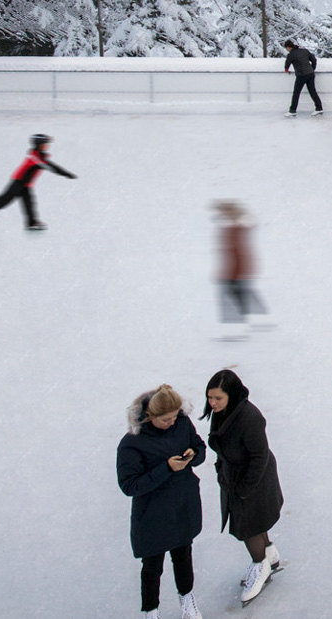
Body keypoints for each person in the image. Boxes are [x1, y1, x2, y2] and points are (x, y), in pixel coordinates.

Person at [116, 384, 207, 619]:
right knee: (152, 566)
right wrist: (166, 468)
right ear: (151, 416)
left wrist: (193, 455)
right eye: (166, 420)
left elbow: (199, 446)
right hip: (153, 514)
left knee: (183, 555)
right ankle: (151, 612)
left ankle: (187, 601)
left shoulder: (182, 423)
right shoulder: (132, 443)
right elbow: (130, 486)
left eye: (175, 417)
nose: (172, 423)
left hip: (182, 504)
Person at [204, 369, 285, 604]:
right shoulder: (223, 412)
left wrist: (244, 489)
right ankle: (269, 553)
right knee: (255, 519)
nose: (212, 403)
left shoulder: (250, 417)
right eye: (210, 397)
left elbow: (259, 456)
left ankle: (260, 566)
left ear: (231, 394)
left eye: (218, 398)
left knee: (248, 525)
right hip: (236, 475)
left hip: (253, 478)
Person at [0, 132, 75, 230]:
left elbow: (48, 165)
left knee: (28, 203)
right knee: (5, 199)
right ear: (38, 145)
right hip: (19, 182)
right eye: (45, 144)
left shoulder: (38, 155)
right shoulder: (36, 157)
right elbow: (50, 166)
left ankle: (32, 223)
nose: (48, 146)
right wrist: (67, 174)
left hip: (25, 184)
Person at [214, 200, 271, 337]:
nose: (220, 215)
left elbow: (236, 250)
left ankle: (240, 328)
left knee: (236, 298)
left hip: (237, 270)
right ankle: (251, 324)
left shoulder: (237, 228)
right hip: (233, 270)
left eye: (224, 213)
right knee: (239, 297)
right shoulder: (231, 228)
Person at [282, 38, 322, 116]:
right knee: (312, 91)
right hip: (310, 74)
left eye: (286, 48)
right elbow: (314, 59)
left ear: (288, 47)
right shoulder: (304, 51)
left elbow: (287, 65)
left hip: (301, 75)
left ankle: (292, 110)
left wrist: (287, 70)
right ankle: (319, 108)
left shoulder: (291, 55)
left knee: (296, 93)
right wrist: (312, 68)